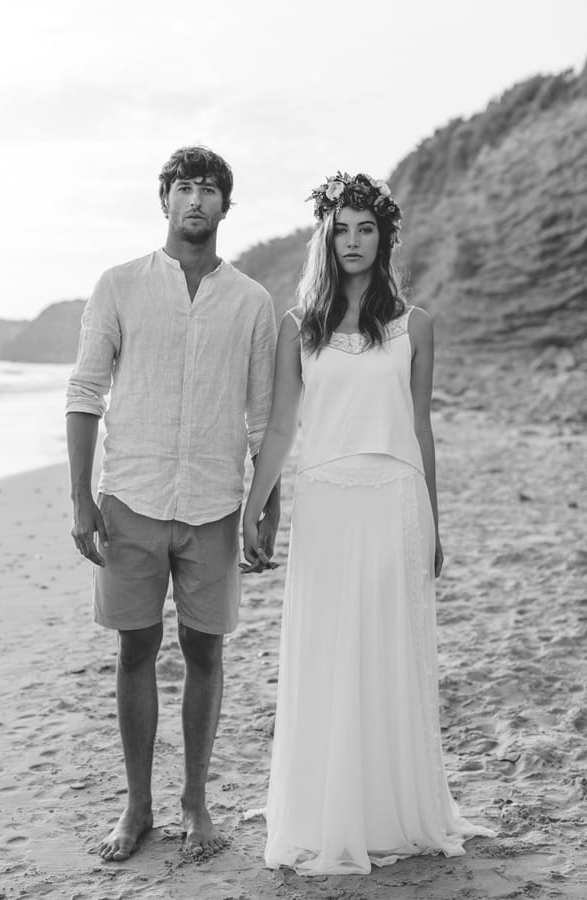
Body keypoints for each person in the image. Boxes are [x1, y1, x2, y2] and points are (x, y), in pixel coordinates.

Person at [243, 172, 495, 875]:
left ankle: (391, 809)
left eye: (365, 228)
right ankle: (328, 808)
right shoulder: (299, 326)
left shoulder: (416, 324)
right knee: (328, 653)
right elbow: (284, 424)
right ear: (326, 236)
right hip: (325, 501)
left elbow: (420, 426)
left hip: (395, 501)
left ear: (384, 238)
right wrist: (254, 505)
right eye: (341, 228)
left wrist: (435, 522)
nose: (352, 241)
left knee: (388, 651)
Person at [66, 146, 279, 862]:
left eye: (210, 190)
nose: (196, 200)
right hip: (132, 495)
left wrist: (264, 504)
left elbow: (261, 417)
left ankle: (195, 800)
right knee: (136, 649)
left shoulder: (251, 301)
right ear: (164, 200)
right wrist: (80, 500)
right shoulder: (120, 285)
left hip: (215, 502)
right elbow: (85, 393)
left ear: (225, 206)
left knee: (205, 652)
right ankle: (137, 806)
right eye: (184, 187)